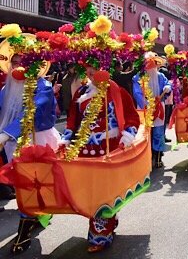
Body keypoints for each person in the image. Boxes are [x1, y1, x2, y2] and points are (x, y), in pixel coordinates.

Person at [62, 64, 141, 253]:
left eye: (95, 67)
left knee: (103, 193)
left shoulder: (116, 90)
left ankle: (100, 235)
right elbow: (73, 119)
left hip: (109, 149)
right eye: (88, 68)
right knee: (90, 192)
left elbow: (131, 118)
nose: (91, 72)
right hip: (85, 149)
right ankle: (108, 220)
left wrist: (127, 135)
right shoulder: (81, 91)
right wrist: (66, 137)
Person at [0, 54, 61, 254]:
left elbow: (30, 113)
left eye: (22, 63)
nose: (17, 67)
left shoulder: (42, 87)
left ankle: (24, 231)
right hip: (10, 142)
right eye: (14, 62)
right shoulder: (6, 89)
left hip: (38, 141)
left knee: (33, 185)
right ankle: (34, 215)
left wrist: (6, 134)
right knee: (22, 185)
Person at [132, 53, 172, 169]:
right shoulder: (138, 77)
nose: (151, 68)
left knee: (159, 132)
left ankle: (158, 157)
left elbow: (167, 83)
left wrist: (167, 87)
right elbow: (137, 93)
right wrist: (147, 104)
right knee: (146, 132)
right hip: (146, 109)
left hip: (159, 107)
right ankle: (147, 158)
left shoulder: (160, 76)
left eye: (153, 65)